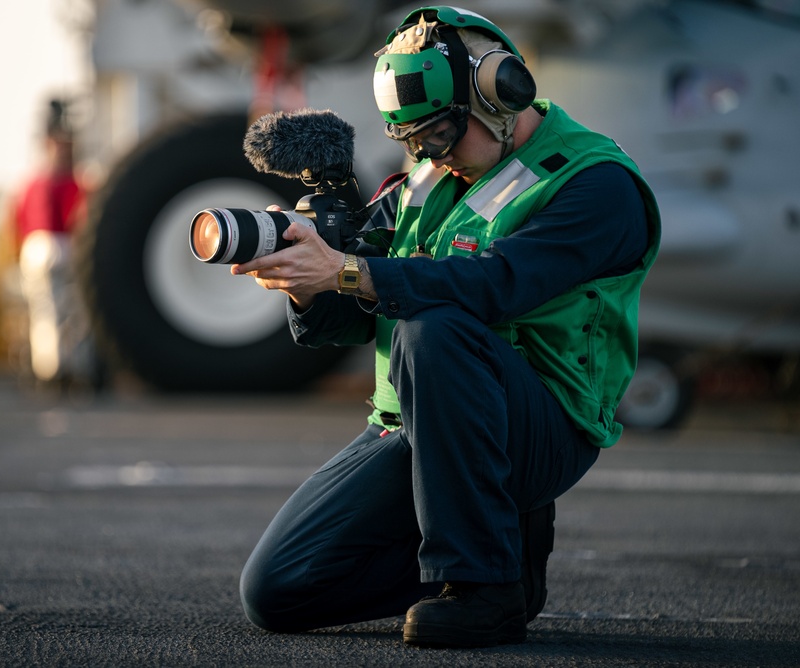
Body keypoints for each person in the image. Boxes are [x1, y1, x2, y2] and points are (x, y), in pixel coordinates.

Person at [230, 6, 662, 649]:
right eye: (413, 140)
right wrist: (308, 276)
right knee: (278, 590)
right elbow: (351, 316)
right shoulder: (427, 179)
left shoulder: (596, 185)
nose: (429, 155)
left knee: (434, 329)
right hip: (415, 422)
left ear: (500, 91)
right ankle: (502, 552)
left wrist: (349, 272)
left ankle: (484, 588)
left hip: (539, 425)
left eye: (438, 134)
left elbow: (493, 287)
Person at [12, 99, 92, 388]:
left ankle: (50, 370)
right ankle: (72, 369)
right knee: (74, 313)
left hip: (36, 247)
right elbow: (81, 218)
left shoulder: (31, 183)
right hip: (61, 245)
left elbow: (16, 218)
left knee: (47, 313)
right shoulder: (76, 183)